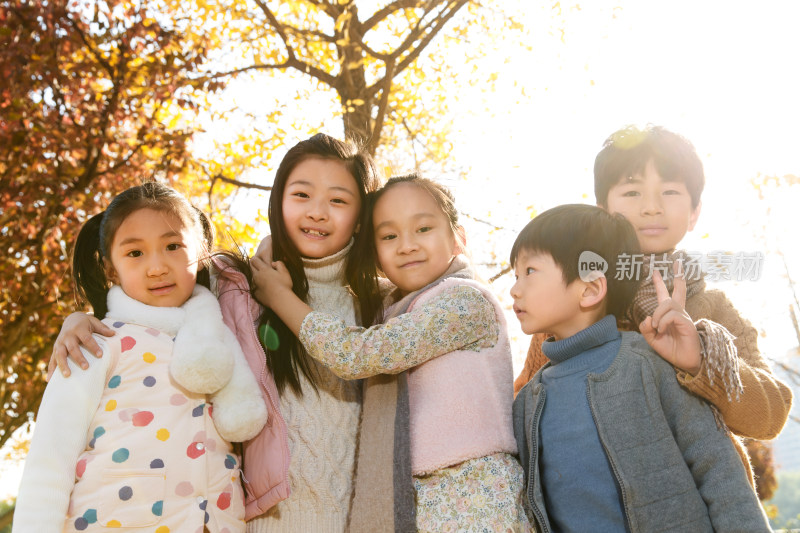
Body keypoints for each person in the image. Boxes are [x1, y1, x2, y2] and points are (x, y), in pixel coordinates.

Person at [46, 134, 383, 532]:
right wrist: (83, 317)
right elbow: (159, 290)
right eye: (302, 194)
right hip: (267, 518)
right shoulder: (234, 284)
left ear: (362, 217)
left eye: (338, 200)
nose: (318, 212)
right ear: (278, 202)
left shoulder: (380, 304)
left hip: (361, 517)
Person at [513, 124, 793, 486]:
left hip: (702, 504)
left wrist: (700, 361)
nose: (651, 207)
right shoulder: (569, 310)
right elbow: (524, 411)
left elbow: (770, 416)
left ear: (694, 212)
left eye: (671, 191)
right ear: (603, 211)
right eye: (631, 191)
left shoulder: (714, 311)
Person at [253, 175, 532, 533]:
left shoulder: (465, 301)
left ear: (458, 238)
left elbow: (360, 353)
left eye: (424, 228)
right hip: (413, 496)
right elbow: (335, 270)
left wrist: (280, 297)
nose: (407, 246)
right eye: (388, 236)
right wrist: (282, 240)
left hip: (472, 491)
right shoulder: (394, 306)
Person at [14, 182, 267, 532]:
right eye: (135, 253)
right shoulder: (94, 343)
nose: (157, 267)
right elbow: (50, 460)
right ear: (110, 269)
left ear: (202, 251)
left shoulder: (219, 338)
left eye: (173, 246)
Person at [510, 203, 772, 532]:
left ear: (590, 289)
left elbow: (716, 464)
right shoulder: (528, 402)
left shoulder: (648, 363)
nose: (514, 288)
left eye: (530, 272)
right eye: (515, 275)